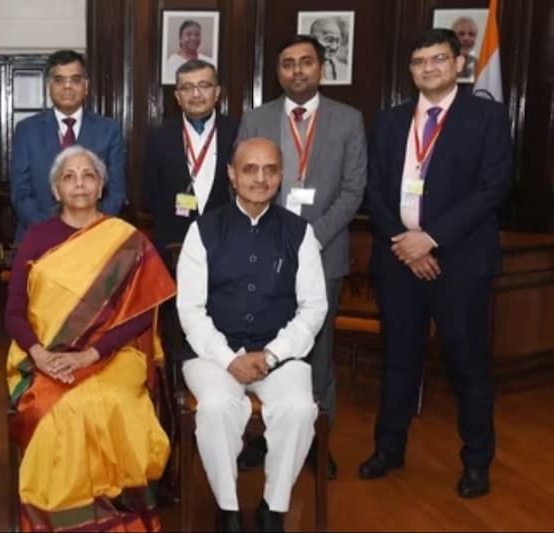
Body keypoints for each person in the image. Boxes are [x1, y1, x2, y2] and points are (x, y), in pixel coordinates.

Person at [360, 29, 511, 499]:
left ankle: (476, 461)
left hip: (459, 264)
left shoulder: (487, 117)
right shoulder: (388, 121)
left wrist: (431, 240)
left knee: (467, 364)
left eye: (438, 59)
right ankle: (389, 449)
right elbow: (373, 189)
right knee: (399, 362)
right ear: (410, 70)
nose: (429, 68)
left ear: (459, 64)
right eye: (420, 61)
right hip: (397, 259)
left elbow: (492, 188)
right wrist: (405, 242)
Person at [5, 145, 175, 532]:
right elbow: (14, 311)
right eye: (69, 176)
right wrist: (40, 355)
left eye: (88, 176)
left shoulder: (126, 240)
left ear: (101, 186)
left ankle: (121, 514)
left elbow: (140, 317)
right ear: (55, 190)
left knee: (111, 401)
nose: (79, 183)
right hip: (44, 353)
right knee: (58, 409)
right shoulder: (36, 237)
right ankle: (60, 516)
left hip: (115, 353)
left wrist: (91, 353)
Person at [176, 138, 327, 533]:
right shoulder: (203, 231)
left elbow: (313, 308)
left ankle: (273, 509)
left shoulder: (300, 233)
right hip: (212, 355)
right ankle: (227, 510)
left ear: (281, 175)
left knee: (298, 409)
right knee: (215, 408)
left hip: (280, 354)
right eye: (249, 169)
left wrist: (273, 355)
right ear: (231, 173)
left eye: (269, 170)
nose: (259, 179)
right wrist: (229, 359)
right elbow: (190, 309)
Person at [235, 34, 367, 479]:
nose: (297, 71)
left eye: (305, 62)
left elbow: (353, 191)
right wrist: (277, 241)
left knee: (318, 351)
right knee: (263, 344)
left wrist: (308, 240)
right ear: (278, 72)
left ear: (321, 69)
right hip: (264, 257)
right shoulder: (256, 118)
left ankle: (316, 442)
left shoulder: (348, 121)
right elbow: (244, 185)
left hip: (323, 254)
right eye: (288, 63)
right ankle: (261, 439)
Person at [10, 49, 126, 239]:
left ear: (86, 86)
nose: (67, 86)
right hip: (39, 236)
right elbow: (20, 193)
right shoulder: (26, 131)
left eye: (75, 79)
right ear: (49, 87)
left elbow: (116, 192)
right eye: (59, 80)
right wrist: (52, 231)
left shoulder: (109, 130)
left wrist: (90, 229)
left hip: (95, 238)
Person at [144, 59, 240, 259]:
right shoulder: (159, 136)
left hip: (228, 241)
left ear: (217, 92)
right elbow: (150, 194)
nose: (196, 94)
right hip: (175, 246)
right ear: (178, 96)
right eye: (187, 88)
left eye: (204, 86)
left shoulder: (237, 132)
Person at [164, 20, 215, 85]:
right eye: (188, 34)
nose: (193, 38)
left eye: (197, 34)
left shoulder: (208, 61)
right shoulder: (172, 62)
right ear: (180, 39)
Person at [309, 17, 349, 82]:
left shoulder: (345, 70)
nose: (335, 47)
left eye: (338, 41)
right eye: (329, 40)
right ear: (312, 40)